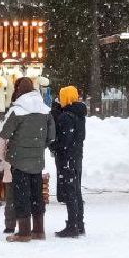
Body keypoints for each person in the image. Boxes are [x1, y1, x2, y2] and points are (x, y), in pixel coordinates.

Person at [1, 77, 56, 242]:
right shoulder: (45, 110)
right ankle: (39, 230)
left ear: (18, 91)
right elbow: (51, 137)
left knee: (21, 196)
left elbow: (4, 135)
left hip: (19, 162)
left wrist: (3, 154)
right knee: (37, 196)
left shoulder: (17, 110)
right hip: (37, 162)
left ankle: (24, 232)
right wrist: (38, 148)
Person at [50, 85, 87, 238]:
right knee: (76, 190)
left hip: (67, 158)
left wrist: (52, 144)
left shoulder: (66, 117)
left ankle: (72, 225)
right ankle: (79, 224)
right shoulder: (79, 114)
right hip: (77, 156)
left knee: (70, 192)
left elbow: (63, 141)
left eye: (61, 97)